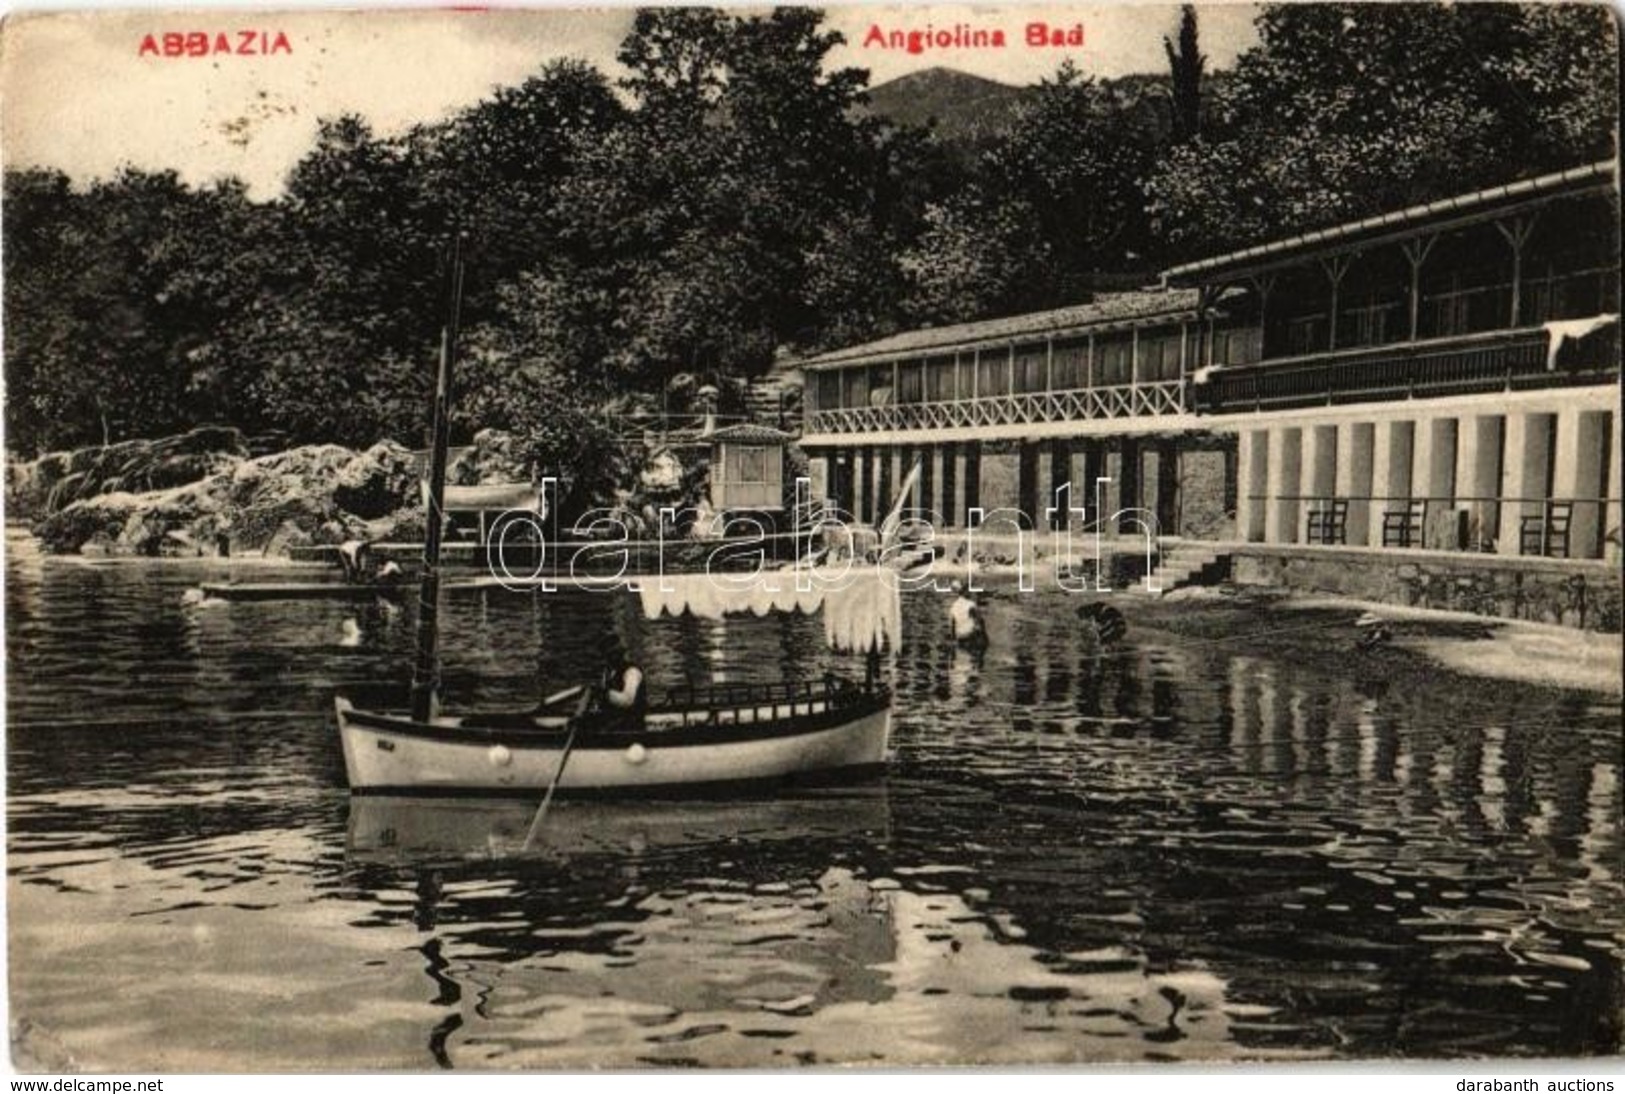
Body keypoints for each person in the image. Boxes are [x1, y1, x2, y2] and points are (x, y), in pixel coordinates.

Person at [591, 634, 647, 732]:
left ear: (620, 654)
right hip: (614, 718)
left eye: (612, 655)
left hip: (632, 721)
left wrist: (605, 694)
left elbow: (628, 701)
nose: (608, 660)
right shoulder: (608, 672)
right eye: (607, 656)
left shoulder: (632, 672)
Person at [948, 580, 987, 648]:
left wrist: (954, 639)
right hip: (970, 636)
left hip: (959, 636)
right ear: (966, 592)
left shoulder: (953, 606)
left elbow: (952, 626)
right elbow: (980, 622)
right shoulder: (971, 604)